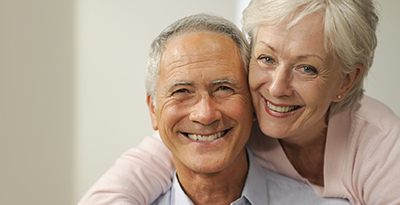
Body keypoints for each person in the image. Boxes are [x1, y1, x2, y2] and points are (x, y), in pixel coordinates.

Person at [79, 0, 400, 204]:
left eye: (307, 68)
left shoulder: (381, 146)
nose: (276, 88)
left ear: (346, 79)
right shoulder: (243, 112)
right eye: (266, 58)